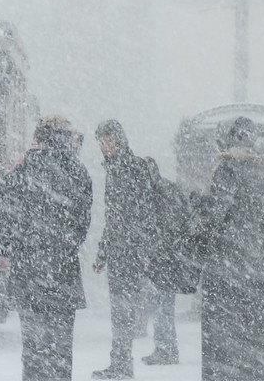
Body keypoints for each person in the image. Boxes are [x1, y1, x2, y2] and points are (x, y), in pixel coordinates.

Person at [0, 115, 93, 381]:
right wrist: (62, 247)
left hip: (29, 276)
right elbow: (82, 223)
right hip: (63, 276)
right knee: (60, 350)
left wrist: (11, 247)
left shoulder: (23, 171)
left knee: (34, 350)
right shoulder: (77, 172)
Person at [193, 116, 264, 381]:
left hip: (230, 281)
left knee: (223, 361)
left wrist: (198, 207)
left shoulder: (228, 169)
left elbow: (214, 217)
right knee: (255, 363)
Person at [91, 120, 152, 380]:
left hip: (129, 252)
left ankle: (122, 364)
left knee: (124, 309)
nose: (105, 147)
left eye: (110, 142)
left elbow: (141, 212)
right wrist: (103, 253)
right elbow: (113, 218)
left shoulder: (131, 168)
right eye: (102, 143)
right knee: (120, 310)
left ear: (120, 141)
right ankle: (120, 362)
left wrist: (141, 248)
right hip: (120, 250)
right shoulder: (116, 169)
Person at [138, 156, 179, 365]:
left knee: (161, 306)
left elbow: (159, 227)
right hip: (166, 258)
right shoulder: (167, 189)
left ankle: (166, 350)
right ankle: (165, 348)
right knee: (161, 305)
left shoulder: (155, 194)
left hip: (161, 259)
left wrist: (151, 251)